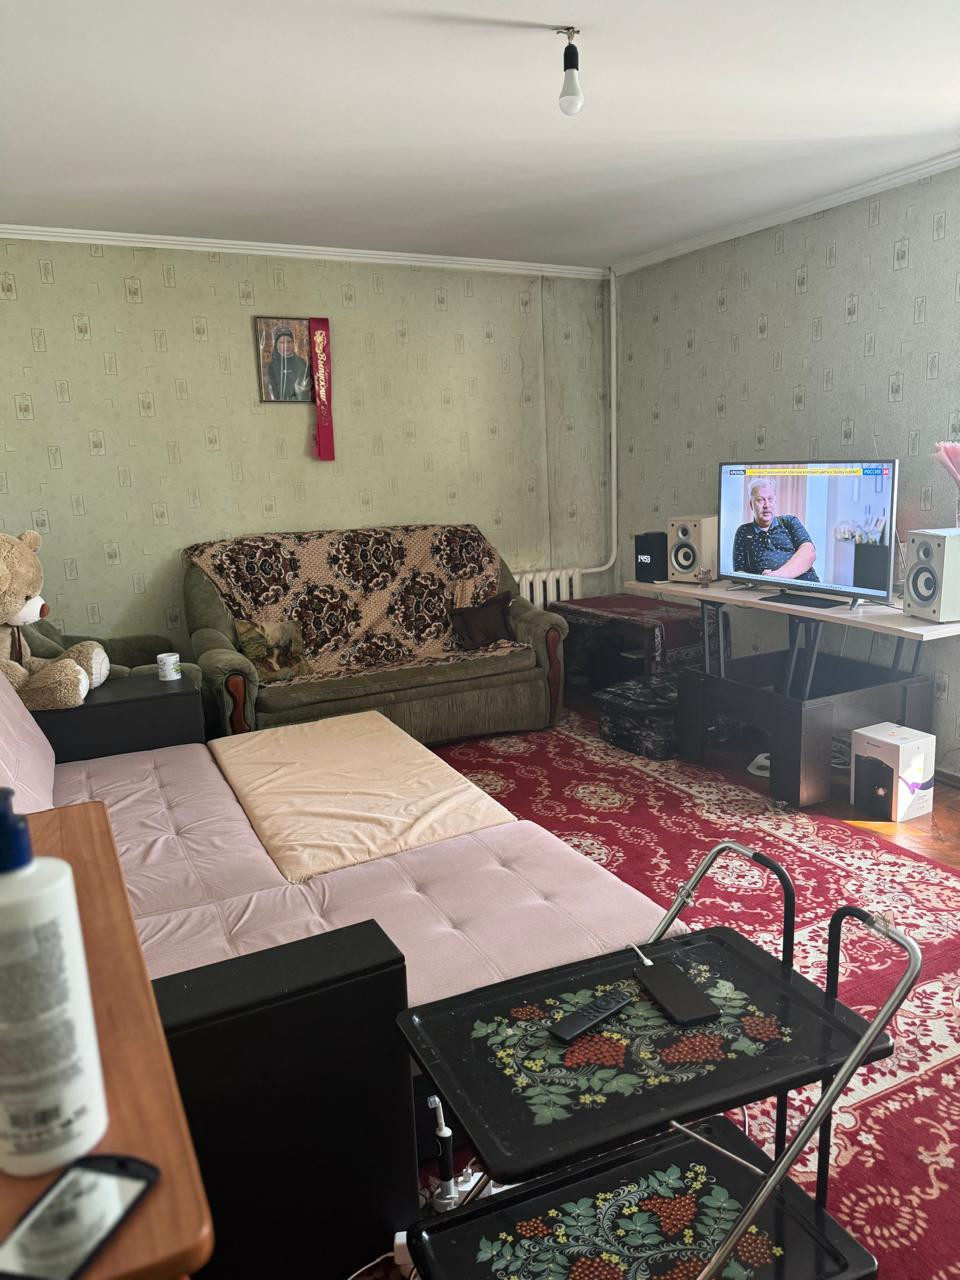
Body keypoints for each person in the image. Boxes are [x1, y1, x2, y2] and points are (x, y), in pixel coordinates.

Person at [732, 478, 819, 581]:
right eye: (760, 500)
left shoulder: (789, 522)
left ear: (775, 502)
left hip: (806, 584)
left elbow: (809, 553)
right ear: (751, 504)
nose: (766, 505)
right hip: (768, 588)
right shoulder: (744, 531)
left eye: (770, 499)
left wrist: (776, 576)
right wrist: (760, 580)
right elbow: (739, 573)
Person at [266, 325, 312, 402]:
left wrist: (302, 391)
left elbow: (308, 386)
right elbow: (271, 391)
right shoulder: (272, 366)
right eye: (282, 342)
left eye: (289, 341)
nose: (286, 345)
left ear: (293, 343)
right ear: (276, 345)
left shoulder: (302, 363)